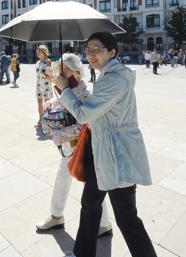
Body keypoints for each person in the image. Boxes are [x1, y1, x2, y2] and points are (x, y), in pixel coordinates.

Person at [54, 32, 156, 257]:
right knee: (90, 204)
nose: (91, 54)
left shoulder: (114, 80)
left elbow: (84, 114)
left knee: (126, 217)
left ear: (112, 52)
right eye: (88, 49)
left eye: (97, 49)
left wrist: (65, 90)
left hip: (117, 156)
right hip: (101, 153)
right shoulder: (106, 76)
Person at [37, 53, 112, 237]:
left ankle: (101, 223)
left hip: (81, 144)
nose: (62, 74)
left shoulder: (84, 91)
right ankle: (59, 216)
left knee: (92, 184)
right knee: (72, 179)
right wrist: (51, 102)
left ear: (77, 71)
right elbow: (62, 101)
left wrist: (60, 134)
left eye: (66, 70)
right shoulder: (66, 88)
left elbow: (84, 119)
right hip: (69, 146)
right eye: (61, 70)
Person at [35, 45, 53, 128]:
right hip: (39, 85)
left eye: (39, 52)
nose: (37, 53)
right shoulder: (37, 62)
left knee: (47, 103)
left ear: (44, 53)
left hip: (46, 85)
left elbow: (50, 75)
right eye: (37, 51)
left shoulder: (48, 61)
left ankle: (47, 121)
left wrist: (46, 73)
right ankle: (40, 119)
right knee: (39, 102)